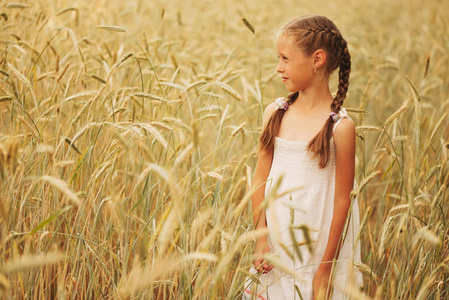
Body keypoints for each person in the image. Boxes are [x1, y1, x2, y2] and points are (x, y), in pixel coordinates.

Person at [243, 15, 362, 300]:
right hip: (276, 244)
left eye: (285, 58)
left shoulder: (340, 128)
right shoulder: (276, 113)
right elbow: (259, 179)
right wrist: (261, 239)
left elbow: (343, 201)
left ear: (317, 59)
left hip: (317, 249)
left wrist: (326, 268)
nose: (278, 67)